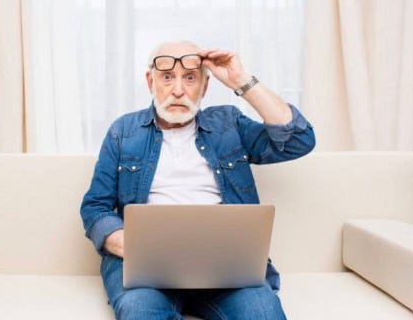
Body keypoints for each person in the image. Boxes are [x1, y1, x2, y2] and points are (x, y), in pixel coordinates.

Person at [80, 40, 315, 320]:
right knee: (139, 312)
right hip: (146, 269)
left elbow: (298, 140)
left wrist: (241, 81)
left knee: (264, 314)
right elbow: (96, 208)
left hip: (226, 267)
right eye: (167, 77)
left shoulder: (228, 124)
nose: (178, 90)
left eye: (190, 78)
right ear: (150, 82)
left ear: (204, 86)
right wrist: (135, 246)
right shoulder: (123, 131)